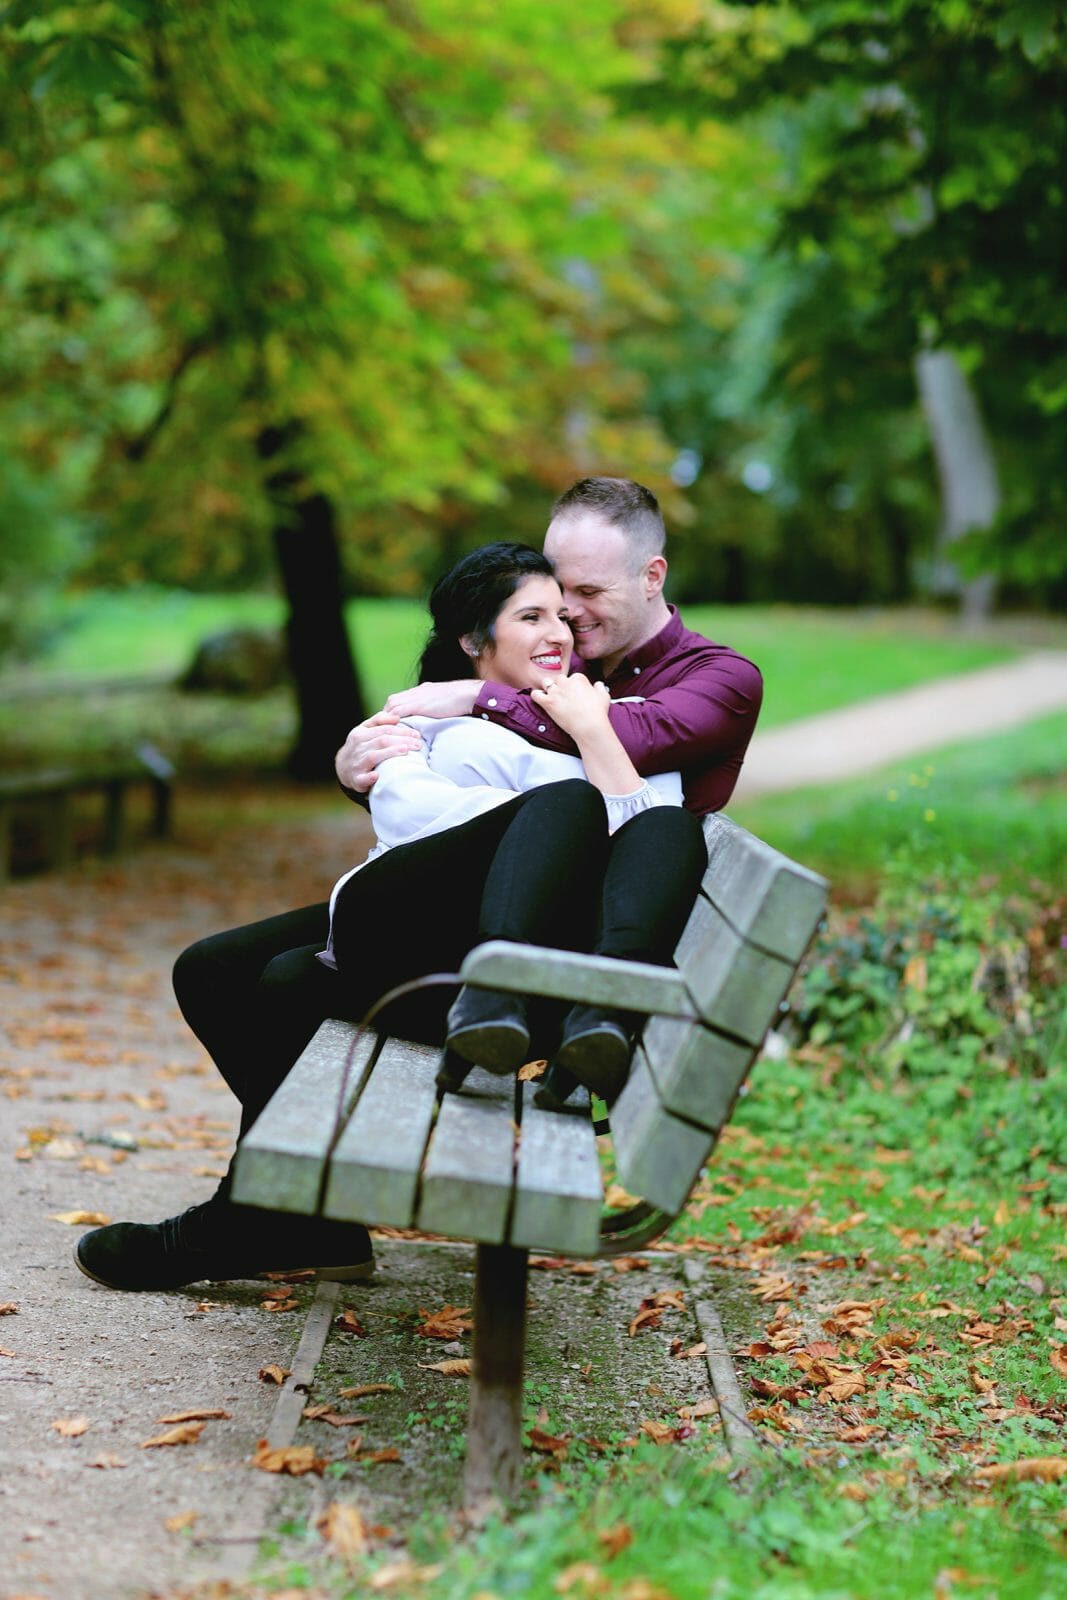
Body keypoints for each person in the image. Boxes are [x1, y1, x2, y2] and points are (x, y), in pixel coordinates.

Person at [74, 541, 709, 1293]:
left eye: (561, 618)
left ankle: (260, 1217)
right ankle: (301, 1214)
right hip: (415, 917)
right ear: (475, 640)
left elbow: (647, 834)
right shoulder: (439, 716)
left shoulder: (593, 718)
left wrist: (573, 766)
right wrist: (453, 797)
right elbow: (407, 814)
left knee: (290, 982)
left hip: (475, 967)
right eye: (532, 617)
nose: (558, 634)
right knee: (211, 969)